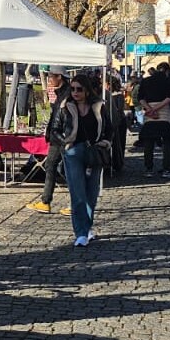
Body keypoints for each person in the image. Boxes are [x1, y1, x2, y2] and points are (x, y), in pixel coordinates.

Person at [47, 72, 112, 247]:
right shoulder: (65, 106)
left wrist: (105, 143)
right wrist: (65, 144)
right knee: (78, 194)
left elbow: (109, 129)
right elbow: (54, 129)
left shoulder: (99, 106)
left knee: (91, 193)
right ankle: (81, 233)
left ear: (87, 91)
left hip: (95, 152)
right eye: (73, 89)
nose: (75, 92)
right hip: (73, 152)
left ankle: (87, 227)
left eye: (79, 89)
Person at [27, 70, 71, 214]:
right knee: (50, 167)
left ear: (60, 77)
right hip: (56, 138)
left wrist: (65, 138)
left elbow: (66, 118)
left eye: (51, 77)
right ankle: (46, 201)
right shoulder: (60, 94)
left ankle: (74, 203)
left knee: (69, 170)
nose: (49, 79)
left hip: (63, 138)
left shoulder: (68, 94)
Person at [137, 64, 170, 177]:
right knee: (167, 143)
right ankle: (166, 168)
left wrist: (150, 109)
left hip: (149, 114)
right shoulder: (167, 81)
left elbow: (140, 98)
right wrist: (156, 109)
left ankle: (148, 169)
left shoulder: (145, 81)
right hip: (164, 112)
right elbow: (169, 98)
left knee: (148, 144)